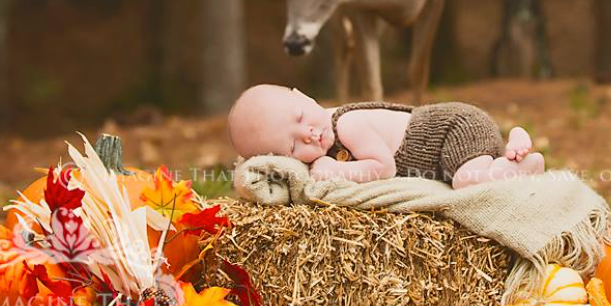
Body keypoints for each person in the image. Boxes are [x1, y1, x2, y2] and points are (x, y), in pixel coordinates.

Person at [228, 84, 545, 189]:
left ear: (306, 97)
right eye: (294, 145)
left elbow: (384, 167)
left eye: (300, 118)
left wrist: (339, 171)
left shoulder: (347, 125)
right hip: (445, 151)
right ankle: (507, 152)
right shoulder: (323, 137)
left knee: (466, 180)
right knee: (467, 172)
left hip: (454, 128)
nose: (308, 135)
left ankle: (522, 164)